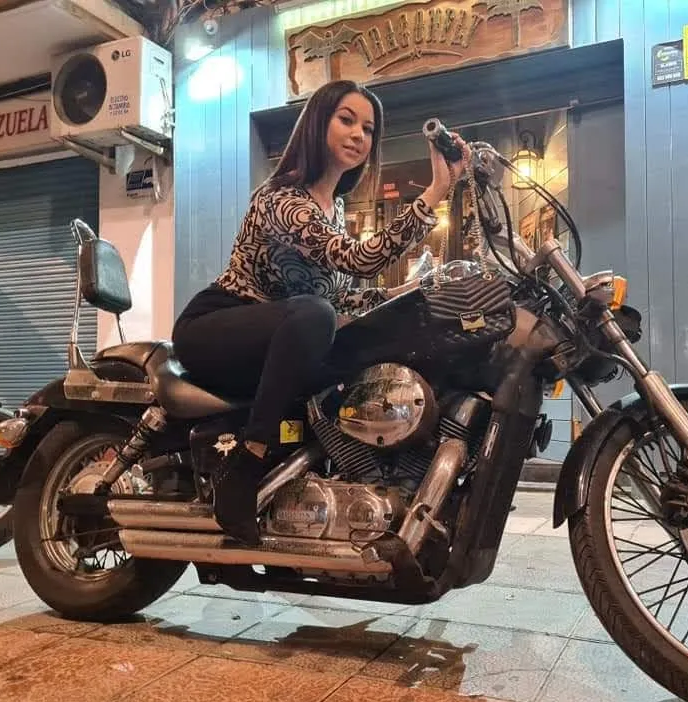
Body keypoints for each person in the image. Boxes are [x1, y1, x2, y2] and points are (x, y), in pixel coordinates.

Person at [171, 79, 468, 545]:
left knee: (356, 339)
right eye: (346, 120)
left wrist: (417, 291)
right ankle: (246, 463)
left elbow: (347, 297)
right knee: (315, 316)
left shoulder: (334, 207)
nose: (358, 135)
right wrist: (436, 191)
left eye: (368, 129)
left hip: (279, 340)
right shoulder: (282, 199)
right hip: (216, 327)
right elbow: (357, 261)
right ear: (316, 124)